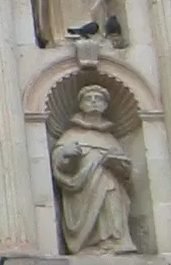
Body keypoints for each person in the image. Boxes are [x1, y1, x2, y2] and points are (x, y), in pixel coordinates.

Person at [51, 84, 135, 254]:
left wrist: (117, 164)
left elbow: (127, 171)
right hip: (84, 188)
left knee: (113, 206)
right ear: (81, 105)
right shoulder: (71, 135)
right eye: (89, 99)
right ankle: (91, 243)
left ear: (105, 105)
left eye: (98, 99)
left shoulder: (110, 138)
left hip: (110, 185)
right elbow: (60, 164)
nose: (94, 102)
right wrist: (66, 155)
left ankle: (114, 241)